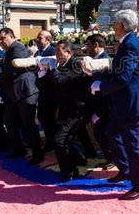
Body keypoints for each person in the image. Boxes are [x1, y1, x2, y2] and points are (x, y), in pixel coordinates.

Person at [90, 9, 139, 200]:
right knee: (112, 133)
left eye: (115, 23)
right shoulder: (127, 43)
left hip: (130, 104)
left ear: (122, 25)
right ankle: (125, 169)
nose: (112, 26)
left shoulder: (130, 44)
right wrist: (95, 75)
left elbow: (123, 77)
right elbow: (119, 72)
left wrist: (101, 86)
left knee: (133, 145)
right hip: (123, 103)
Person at [0, 28, 42, 164]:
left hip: (25, 92)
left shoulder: (17, 48)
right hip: (15, 94)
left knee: (29, 124)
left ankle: (37, 153)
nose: (0, 42)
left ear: (11, 37)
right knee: (9, 121)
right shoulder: (8, 51)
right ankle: (18, 148)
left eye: (2, 38)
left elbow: (12, 72)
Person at [46, 40, 89, 182]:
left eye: (59, 51)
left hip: (77, 109)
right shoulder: (61, 65)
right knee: (62, 138)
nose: (56, 54)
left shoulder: (76, 64)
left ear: (69, 52)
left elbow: (60, 80)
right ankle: (78, 159)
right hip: (65, 108)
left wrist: (52, 69)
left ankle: (69, 171)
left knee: (60, 140)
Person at [85, 34, 113, 170]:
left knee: (102, 132)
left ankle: (112, 158)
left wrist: (100, 112)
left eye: (88, 44)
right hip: (97, 104)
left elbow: (107, 86)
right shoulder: (94, 59)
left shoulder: (105, 61)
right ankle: (110, 157)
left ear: (96, 45)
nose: (86, 48)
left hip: (106, 105)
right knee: (100, 132)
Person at [35, 30, 57, 152]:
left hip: (51, 91)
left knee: (49, 118)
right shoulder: (38, 52)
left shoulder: (52, 51)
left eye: (40, 38)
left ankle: (52, 143)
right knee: (42, 117)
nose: (37, 40)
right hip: (42, 90)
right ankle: (50, 142)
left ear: (47, 40)